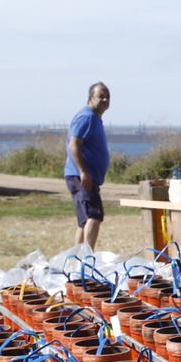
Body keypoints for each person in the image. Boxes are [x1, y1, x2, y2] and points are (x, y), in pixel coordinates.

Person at [63, 82, 111, 250]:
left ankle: (76, 260)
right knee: (94, 215)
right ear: (90, 98)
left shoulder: (94, 118)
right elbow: (74, 144)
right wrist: (83, 171)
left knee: (84, 221)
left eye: (107, 97)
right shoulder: (87, 117)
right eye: (101, 96)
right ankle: (88, 259)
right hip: (81, 176)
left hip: (82, 175)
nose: (105, 100)